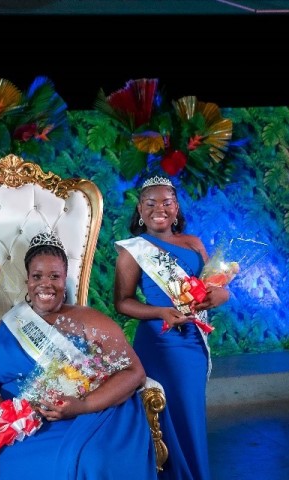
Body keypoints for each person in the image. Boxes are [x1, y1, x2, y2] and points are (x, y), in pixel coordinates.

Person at [0, 231, 158, 480]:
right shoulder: (10, 323)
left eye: (55, 276)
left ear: (65, 280)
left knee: (87, 460)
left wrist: (82, 405)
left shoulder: (89, 320)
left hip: (81, 416)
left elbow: (134, 372)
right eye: (37, 276)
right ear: (28, 281)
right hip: (20, 421)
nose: (46, 284)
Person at [113, 175, 230, 480]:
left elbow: (215, 286)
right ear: (140, 208)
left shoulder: (193, 243)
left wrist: (219, 295)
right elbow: (122, 302)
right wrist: (160, 312)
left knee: (190, 413)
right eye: (151, 203)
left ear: (176, 208)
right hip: (158, 343)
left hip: (192, 340)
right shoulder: (132, 250)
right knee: (163, 415)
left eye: (167, 202)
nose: (159, 209)